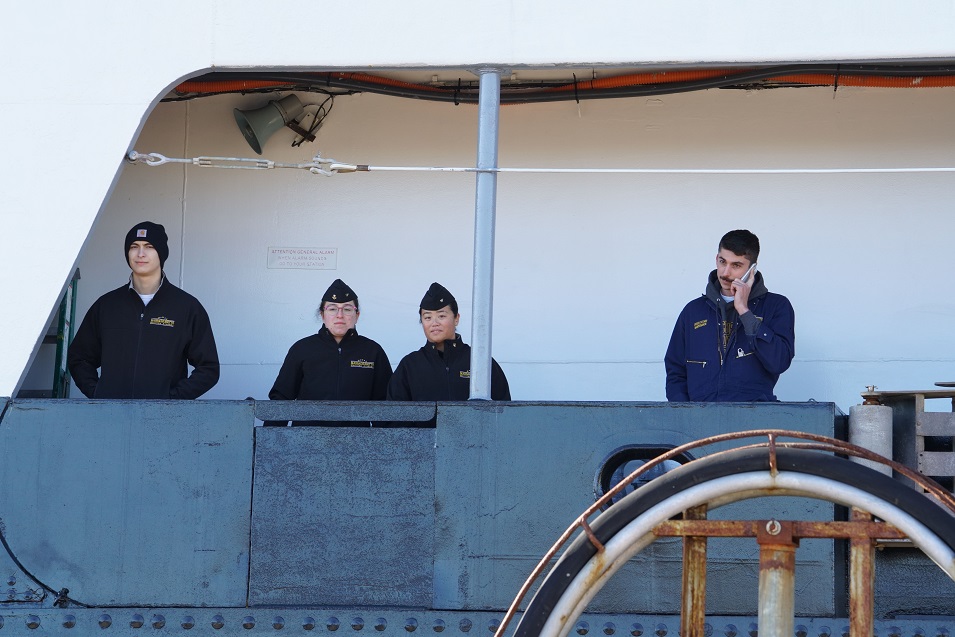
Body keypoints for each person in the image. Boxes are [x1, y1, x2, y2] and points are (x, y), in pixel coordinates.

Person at [68, 221, 219, 399]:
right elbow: (79, 358)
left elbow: (209, 368)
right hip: (111, 418)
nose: (140, 254)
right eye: (134, 246)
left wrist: (172, 399)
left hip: (162, 421)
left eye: (149, 246)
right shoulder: (106, 306)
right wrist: (98, 394)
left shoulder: (187, 308)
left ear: (161, 253)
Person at [664, 229, 795, 402]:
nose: (726, 272)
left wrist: (744, 311)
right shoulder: (693, 311)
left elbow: (779, 362)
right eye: (722, 261)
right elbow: (675, 371)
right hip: (700, 421)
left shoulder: (776, 306)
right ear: (716, 259)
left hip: (755, 419)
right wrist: (684, 414)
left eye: (736, 265)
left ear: (752, 269)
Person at [268, 279, 393, 425]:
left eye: (347, 309)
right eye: (332, 309)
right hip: (306, 441)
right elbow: (281, 399)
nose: (339, 315)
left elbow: (385, 405)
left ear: (357, 315)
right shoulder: (302, 349)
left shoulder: (373, 351)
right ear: (322, 315)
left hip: (359, 443)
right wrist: (271, 440)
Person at [387, 282, 510, 402]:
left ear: (456, 318)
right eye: (427, 317)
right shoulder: (409, 366)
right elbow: (393, 417)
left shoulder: (480, 362)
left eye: (441, 316)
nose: (434, 323)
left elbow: (504, 413)